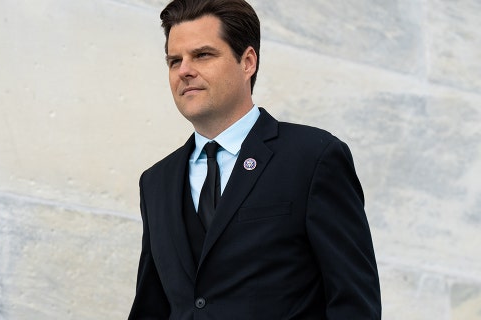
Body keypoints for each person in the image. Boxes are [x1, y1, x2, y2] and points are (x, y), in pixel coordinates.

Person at [128, 0, 381, 319]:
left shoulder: (313, 157)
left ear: (247, 62)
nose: (185, 70)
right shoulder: (156, 182)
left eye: (202, 55)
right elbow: (151, 308)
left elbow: (354, 303)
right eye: (174, 60)